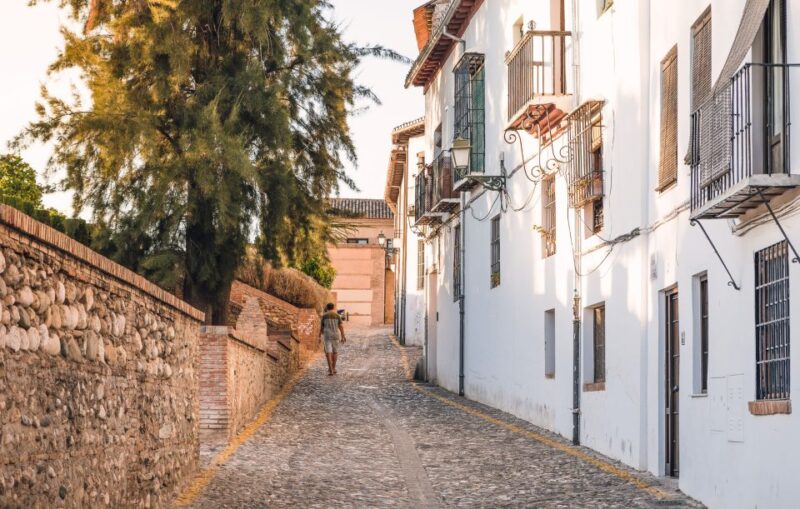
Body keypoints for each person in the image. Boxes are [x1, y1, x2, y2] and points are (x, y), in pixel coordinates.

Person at [320, 303, 346, 375]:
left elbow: (321, 327)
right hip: (335, 336)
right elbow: (341, 326)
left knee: (328, 353)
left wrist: (320, 335)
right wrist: (343, 336)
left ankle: (330, 370)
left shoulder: (324, 316)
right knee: (335, 352)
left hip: (327, 336)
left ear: (327, 308)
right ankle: (334, 368)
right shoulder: (337, 315)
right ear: (333, 308)